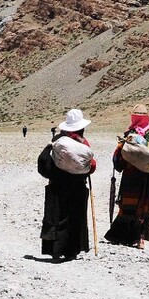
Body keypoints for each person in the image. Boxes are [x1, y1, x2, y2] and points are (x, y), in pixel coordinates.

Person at [38, 109, 96, 261]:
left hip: (58, 186)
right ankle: (72, 251)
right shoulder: (83, 142)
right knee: (75, 216)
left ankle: (55, 250)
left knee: (57, 216)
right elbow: (92, 166)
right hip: (78, 185)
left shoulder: (57, 141)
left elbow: (44, 164)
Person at [104, 104, 149, 249]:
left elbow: (121, 156)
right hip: (146, 174)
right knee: (143, 204)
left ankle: (121, 235)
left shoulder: (130, 133)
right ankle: (140, 237)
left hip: (130, 174)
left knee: (127, 203)